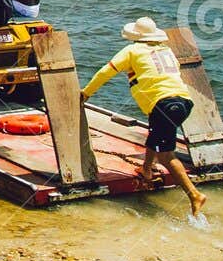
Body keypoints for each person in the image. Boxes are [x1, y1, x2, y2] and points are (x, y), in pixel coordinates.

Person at [82, 17, 207, 218]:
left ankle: (194, 194)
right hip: (183, 102)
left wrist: (87, 92)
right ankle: (147, 169)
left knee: (166, 154)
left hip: (164, 104)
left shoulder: (132, 50)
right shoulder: (166, 50)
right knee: (155, 134)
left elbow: (106, 72)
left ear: (135, 36)